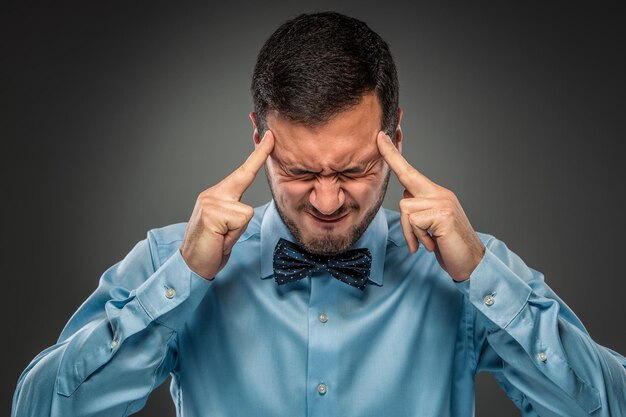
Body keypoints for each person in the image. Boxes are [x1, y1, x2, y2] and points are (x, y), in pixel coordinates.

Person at [11, 11, 626, 417]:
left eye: (354, 170)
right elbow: (39, 407)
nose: (328, 203)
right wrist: (179, 284)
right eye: (302, 172)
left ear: (396, 135)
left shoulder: (466, 265)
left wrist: (484, 278)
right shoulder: (169, 260)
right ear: (259, 135)